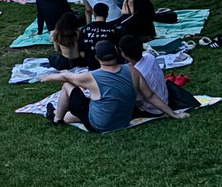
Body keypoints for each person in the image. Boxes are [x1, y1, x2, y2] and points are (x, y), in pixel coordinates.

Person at [40, 40, 188, 130]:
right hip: (123, 121)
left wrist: (50, 77)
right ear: (117, 52)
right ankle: (57, 115)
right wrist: (173, 114)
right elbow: (150, 95)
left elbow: (67, 76)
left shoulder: (90, 77)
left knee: (67, 86)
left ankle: (56, 119)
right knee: (72, 115)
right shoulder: (132, 70)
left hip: (99, 125)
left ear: (97, 58)